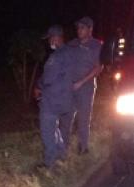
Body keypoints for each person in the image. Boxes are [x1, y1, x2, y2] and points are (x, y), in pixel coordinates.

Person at [33, 25, 83, 168]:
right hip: (67, 98)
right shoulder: (72, 53)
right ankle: (61, 156)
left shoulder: (56, 56)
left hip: (53, 99)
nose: (48, 41)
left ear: (55, 38)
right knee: (55, 129)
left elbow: (47, 78)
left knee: (47, 131)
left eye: (49, 38)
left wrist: (37, 86)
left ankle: (50, 163)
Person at [68, 17, 103, 154]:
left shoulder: (96, 45)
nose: (79, 30)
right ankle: (63, 146)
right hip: (69, 87)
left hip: (85, 87)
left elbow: (99, 67)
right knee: (67, 116)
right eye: (78, 28)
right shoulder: (72, 44)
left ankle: (83, 147)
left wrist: (81, 82)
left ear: (90, 29)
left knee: (83, 117)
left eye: (82, 28)